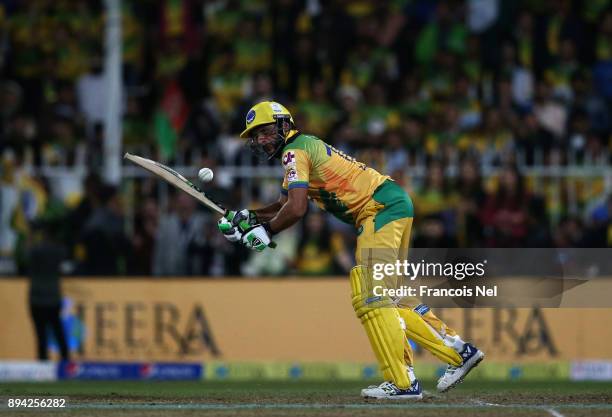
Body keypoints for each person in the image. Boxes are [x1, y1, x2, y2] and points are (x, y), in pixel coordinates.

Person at [217, 101, 484, 399]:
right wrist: (249, 218)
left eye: (265, 132)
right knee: (393, 301)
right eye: (256, 136)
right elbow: (282, 205)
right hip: (391, 203)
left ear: (284, 126)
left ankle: (403, 383)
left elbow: (296, 209)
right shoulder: (301, 150)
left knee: (370, 296)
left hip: (379, 209)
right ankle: (460, 353)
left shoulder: (295, 151)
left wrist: (267, 232)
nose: (260, 140)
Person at [27, 220, 70, 361]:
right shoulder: (59, 250)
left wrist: (31, 233)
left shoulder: (37, 250)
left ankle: (43, 359)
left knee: (41, 333)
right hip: (53, 297)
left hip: (37, 297)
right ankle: (65, 358)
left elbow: (25, 254)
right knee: (57, 329)